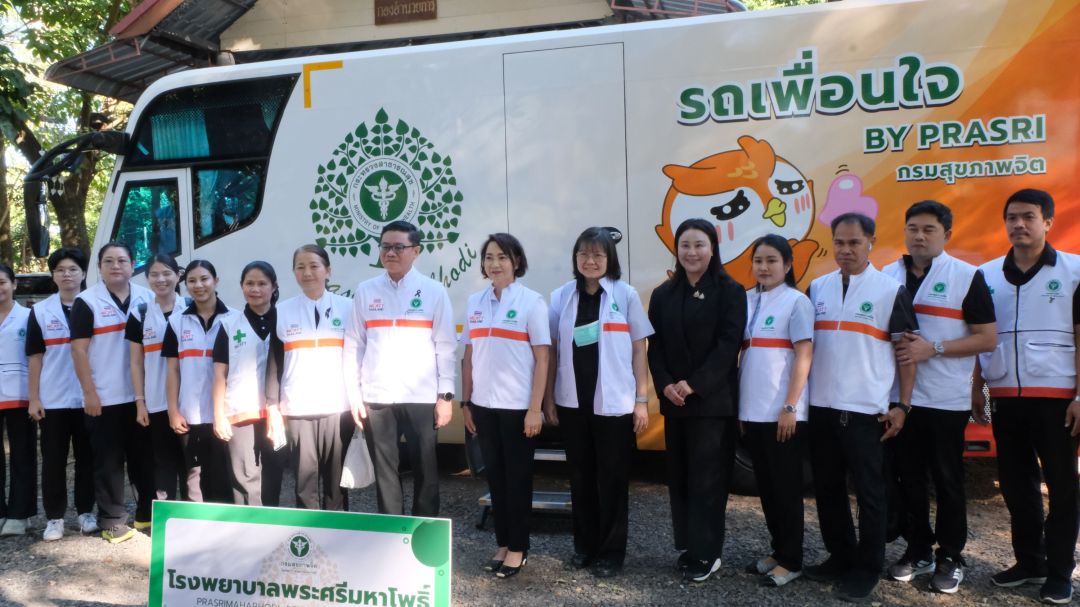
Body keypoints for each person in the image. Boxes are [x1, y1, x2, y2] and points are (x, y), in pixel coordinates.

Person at [882, 200, 996, 594]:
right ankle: (918, 549)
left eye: (928, 229)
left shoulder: (966, 276)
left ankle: (950, 555)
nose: (919, 236)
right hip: (899, 399)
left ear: (946, 234)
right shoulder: (887, 274)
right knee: (908, 477)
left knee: (948, 480)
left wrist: (935, 348)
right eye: (912, 228)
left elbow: (987, 338)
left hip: (946, 399)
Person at [802, 212, 917, 602]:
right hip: (821, 408)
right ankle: (840, 556)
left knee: (870, 493)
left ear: (871, 243)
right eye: (839, 242)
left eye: (854, 242)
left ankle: (867, 568)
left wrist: (903, 405)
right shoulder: (817, 288)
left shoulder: (890, 291)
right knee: (827, 489)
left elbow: (907, 354)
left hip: (866, 412)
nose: (846, 250)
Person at [974, 189, 1080, 605]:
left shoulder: (1074, 270)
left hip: (1058, 399)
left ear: (1047, 222)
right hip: (1006, 397)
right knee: (1017, 486)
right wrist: (976, 387)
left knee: (1063, 488)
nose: (1019, 224)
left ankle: (1060, 572)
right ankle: (1029, 562)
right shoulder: (986, 275)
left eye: (1029, 217)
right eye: (1012, 217)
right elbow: (981, 336)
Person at [544, 226, 653, 579]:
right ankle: (585, 547)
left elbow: (639, 349)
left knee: (612, 480)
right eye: (583, 254)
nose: (590, 260)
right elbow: (551, 350)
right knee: (580, 478)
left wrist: (641, 400)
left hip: (615, 405)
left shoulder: (625, 295)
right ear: (575, 258)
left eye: (597, 254)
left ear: (610, 258)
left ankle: (610, 552)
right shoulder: (562, 296)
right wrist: (548, 398)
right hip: (573, 403)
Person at [647, 218, 746, 583]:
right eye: (685, 245)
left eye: (699, 245)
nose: (691, 252)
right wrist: (665, 385)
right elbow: (655, 346)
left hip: (712, 404)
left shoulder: (730, 291)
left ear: (713, 248)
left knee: (708, 481)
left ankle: (708, 553)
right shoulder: (664, 294)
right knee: (681, 478)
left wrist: (694, 384)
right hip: (675, 403)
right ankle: (689, 547)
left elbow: (728, 346)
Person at [344, 221, 456, 517]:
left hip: (421, 397)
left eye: (398, 247)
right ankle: (391, 534)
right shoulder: (366, 291)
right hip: (377, 397)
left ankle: (424, 532)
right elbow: (354, 345)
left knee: (426, 471)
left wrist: (445, 396)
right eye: (385, 246)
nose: (390, 253)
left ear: (416, 251)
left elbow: (446, 346)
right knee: (386, 474)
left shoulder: (434, 291)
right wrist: (354, 395)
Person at [460, 233, 550, 579]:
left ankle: (518, 548)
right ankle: (502, 543)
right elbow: (469, 355)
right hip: (483, 405)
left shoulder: (531, 302)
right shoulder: (475, 302)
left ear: (516, 262)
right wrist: (467, 402)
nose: (494, 264)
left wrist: (535, 408)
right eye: (489, 257)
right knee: (495, 479)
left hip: (518, 408)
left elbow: (543, 359)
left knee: (518, 480)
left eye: (502, 257)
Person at [738, 235, 813, 587]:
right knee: (767, 487)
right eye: (758, 261)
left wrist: (790, 406)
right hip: (752, 411)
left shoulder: (797, 302)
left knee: (786, 488)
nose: (764, 267)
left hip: (782, 413)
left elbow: (804, 356)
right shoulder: (746, 299)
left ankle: (792, 559)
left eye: (771, 261)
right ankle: (778, 550)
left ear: (787, 265)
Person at [70, 242, 155, 543]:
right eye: (108, 261)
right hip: (104, 396)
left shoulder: (148, 298)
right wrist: (89, 393)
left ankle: (146, 514)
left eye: (122, 260)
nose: (115, 266)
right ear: (99, 268)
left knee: (145, 459)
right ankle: (112, 519)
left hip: (142, 396)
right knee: (108, 463)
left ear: (132, 265)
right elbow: (78, 351)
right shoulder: (86, 301)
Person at [269, 245, 353, 510]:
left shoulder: (348, 308)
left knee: (337, 480)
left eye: (314, 266)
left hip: (338, 407)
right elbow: (274, 364)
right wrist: (272, 405)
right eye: (300, 267)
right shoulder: (281, 311)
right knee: (304, 480)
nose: (307, 273)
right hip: (298, 408)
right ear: (294, 273)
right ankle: (307, 530)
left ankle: (338, 529)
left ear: (328, 270)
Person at [27, 248, 97, 541]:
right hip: (53, 398)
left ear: (83, 273)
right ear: (53, 276)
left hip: (88, 397)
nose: (67, 275)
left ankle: (86, 511)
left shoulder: (95, 305)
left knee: (88, 458)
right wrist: (34, 397)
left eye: (73, 269)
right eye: (60, 270)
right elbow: (34, 357)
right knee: (53, 460)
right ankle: (54, 518)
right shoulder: (40, 311)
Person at [212, 261, 286, 506]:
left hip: (277, 412)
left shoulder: (285, 320)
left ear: (274, 286)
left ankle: (270, 523)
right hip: (240, 411)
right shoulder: (229, 325)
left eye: (262, 283)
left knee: (273, 473)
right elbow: (219, 374)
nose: (256, 289)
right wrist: (219, 415)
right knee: (245, 477)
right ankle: (248, 525)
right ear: (241, 286)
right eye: (249, 283)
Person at [163, 260, 235, 503]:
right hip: (189, 412)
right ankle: (195, 522)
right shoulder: (176, 322)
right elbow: (172, 370)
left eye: (204, 279)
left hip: (225, 413)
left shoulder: (234, 319)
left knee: (223, 473)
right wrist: (173, 411)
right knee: (192, 476)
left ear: (216, 281)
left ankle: (222, 522)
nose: (199, 285)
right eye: (192, 281)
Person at [128, 254, 187, 502]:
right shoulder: (139, 314)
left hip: (189, 400)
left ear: (178, 276)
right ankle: (167, 516)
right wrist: (140, 402)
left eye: (166, 273)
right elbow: (136, 362)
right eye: (154, 274)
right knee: (163, 462)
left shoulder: (192, 307)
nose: (160, 279)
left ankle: (193, 515)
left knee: (191, 464)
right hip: (156, 401)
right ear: (147, 279)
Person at [0, 262, 35, 536]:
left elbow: (36, 357)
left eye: (2, 282)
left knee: (22, 454)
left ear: (14, 284)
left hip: (21, 394)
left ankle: (20, 514)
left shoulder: (28, 317)